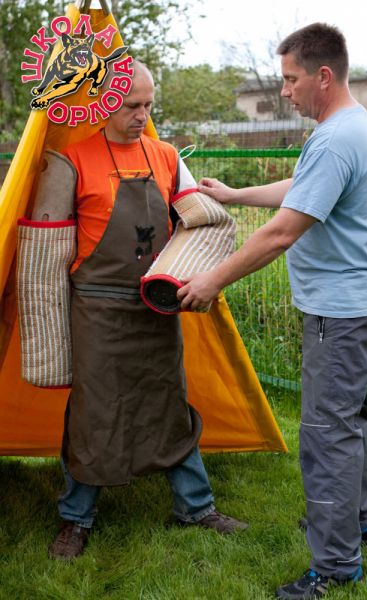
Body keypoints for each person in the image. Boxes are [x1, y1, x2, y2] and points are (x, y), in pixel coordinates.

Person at [177, 23, 367, 599]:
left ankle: (336, 564)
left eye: (291, 79)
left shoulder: (336, 137)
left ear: (323, 76)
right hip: (357, 304)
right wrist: (234, 195)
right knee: (347, 425)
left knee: (325, 437)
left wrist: (211, 280)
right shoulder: (352, 125)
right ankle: (354, 523)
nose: (285, 90)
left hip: (337, 313)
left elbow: (280, 233)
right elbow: (304, 187)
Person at [48, 61, 247, 561]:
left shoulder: (166, 157)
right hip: (96, 310)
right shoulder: (72, 161)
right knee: (94, 411)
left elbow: (198, 222)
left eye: (149, 105)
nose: (142, 115)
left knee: (168, 402)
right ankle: (76, 518)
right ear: (105, 104)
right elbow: (48, 251)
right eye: (132, 106)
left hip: (156, 307)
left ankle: (196, 508)